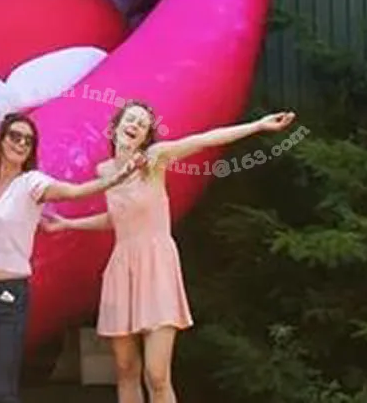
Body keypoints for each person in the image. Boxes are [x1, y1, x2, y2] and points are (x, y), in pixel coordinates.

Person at [43, 101, 297, 403]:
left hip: (157, 263)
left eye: (142, 123)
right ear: (116, 127)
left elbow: (204, 140)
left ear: (146, 136)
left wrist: (257, 126)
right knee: (125, 370)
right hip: (122, 267)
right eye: (130, 119)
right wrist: (67, 224)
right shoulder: (106, 171)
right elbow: (117, 218)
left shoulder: (154, 159)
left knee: (157, 374)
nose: (135, 124)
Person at [0, 111, 143, 403]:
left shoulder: (32, 183)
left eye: (27, 141)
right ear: (1, 140)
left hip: (8, 293)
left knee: (5, 386)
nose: (20, 144)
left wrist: (118, 177)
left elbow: (74, 192)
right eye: (14, 136)